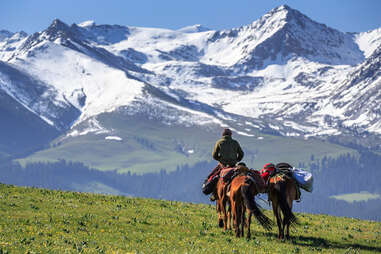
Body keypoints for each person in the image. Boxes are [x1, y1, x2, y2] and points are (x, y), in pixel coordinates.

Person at [207, 128, 244, 201]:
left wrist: (220, 159)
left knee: (214, 176)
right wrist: (236, 160)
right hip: (233, 165)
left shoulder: (219, 142)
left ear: (223, 135)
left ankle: (214, 194)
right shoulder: (235, 142)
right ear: (231, 135)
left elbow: (214, 155)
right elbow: (241, 154)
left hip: (223, 165)